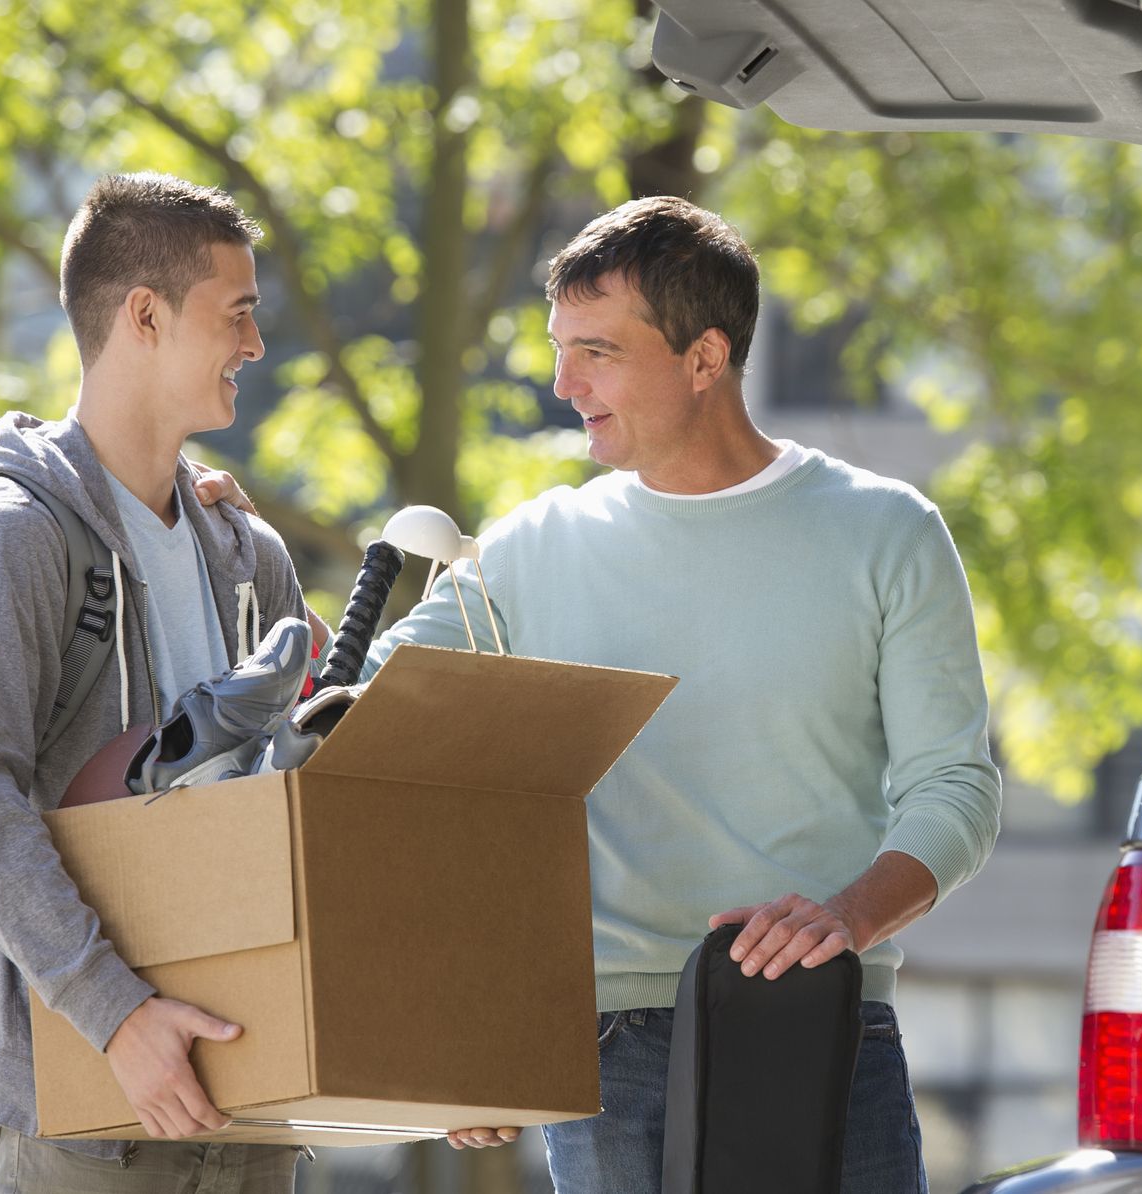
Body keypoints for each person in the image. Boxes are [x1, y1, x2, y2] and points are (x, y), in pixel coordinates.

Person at [370, 196, 1002, 1191]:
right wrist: (470, 1023)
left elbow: (955, 789)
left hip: (822, 1025)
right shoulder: (530, 551)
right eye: (557, 348)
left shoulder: (888, 532)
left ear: (704, 359)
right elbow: (361, 734)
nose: (560, 382)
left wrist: (848, 916)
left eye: (597, 353)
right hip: (609, 1050)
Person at [0, 172, 308, 1193]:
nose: (255, 345)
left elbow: (294, 818)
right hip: (85, 1105)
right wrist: (117, 1016)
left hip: (255, 1094)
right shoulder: (15, 536)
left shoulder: (251, 556)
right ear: (144, 314)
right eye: (237, 313)